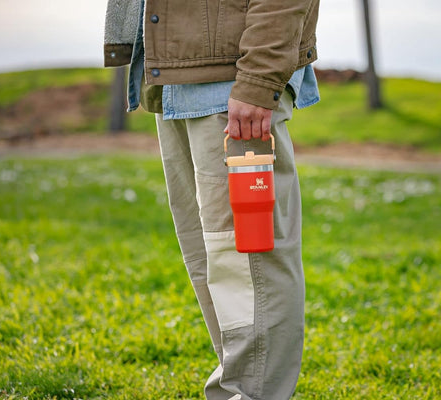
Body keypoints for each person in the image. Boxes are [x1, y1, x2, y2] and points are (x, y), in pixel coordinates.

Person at [103, 0, 320, 398]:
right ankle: (240, 385)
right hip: (175, 71)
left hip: (234, 79)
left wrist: (259, 76)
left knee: (249, 256)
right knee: (209, 256)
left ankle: (254, 393)